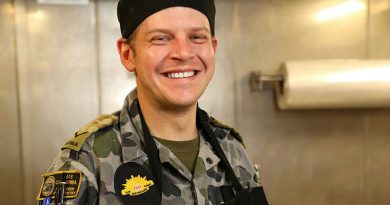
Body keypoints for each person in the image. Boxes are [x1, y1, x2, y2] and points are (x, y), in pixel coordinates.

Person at [36, 0, 268, 204]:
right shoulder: (87, 162)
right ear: (128, 54)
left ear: (213, 49)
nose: (184, 53)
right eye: (161, 38)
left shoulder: (232, 149)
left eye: (197, 37)